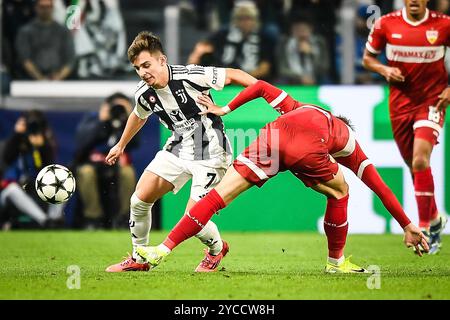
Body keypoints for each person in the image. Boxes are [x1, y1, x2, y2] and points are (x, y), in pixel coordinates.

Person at [135, 80, 430, 273]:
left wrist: (224, 108)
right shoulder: (347, 140)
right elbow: (379, 186)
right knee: (340, 190)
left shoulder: (298, 107)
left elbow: (260, 86)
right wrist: (407, 224)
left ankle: (162, 249)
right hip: (306, 149)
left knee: (217, 197)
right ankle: (335, 262)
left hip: (271, 138)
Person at [104, 31, 258, 272]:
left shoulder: (191, 76)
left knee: (194, 219)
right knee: (139, 200)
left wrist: (266, 97)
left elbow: (235, 75)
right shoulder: (144, 92)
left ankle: (217, 250)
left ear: (162, 60)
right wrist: (120, 144)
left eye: (147, 65)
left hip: (211, 152)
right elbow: (138, 114)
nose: (143, 72)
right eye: (137, 68)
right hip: (177, 149)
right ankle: (139, 258)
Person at [362, 0, 450, 254]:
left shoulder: (443, 25)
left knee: (421, 160)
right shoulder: (385, 24)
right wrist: (384, 69)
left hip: (432, 101)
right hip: (399, 105)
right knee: (414, 165)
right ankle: (434, 219)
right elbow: (368, 59)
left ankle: (423, 227)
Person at [74, 93, 137, 229]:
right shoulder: (93, 118)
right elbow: (82, 142)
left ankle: (124, 217)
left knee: (128, 173)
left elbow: (135, 143)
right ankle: (93, 218)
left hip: (117, 163)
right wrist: (101, 122)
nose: (117, 110)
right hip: (92, 164)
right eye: (115, 106)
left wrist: (127, 120)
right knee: (86, 172)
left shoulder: (128, 121)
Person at [187, 1, 275, 80]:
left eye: (248, 18)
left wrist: (240, 77)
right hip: (222, 79)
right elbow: (201, 50)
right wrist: (195, 57)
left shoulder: (264, 38)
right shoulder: (222, 35)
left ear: (255, 20)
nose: (245, 22)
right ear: (235, 20)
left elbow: (265, 68)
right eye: (240, 18)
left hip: (251, 80)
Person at [15, 0, 75, 80]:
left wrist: (59, 77)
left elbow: (70, 59)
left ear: (53, 8)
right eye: (42, 7)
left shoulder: (63, 32)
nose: (45, 10)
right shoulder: (25, 31)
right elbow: (24, 58)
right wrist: (40, 78)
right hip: (31, 79)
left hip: (60, 79)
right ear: (36, 8)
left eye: (48, 7)